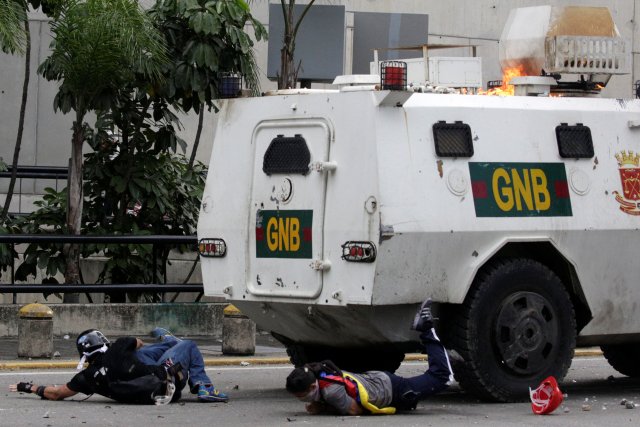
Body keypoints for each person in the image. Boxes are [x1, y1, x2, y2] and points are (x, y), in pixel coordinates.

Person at [286, 299, 453, 415]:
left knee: (442, 377)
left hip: (391, 391)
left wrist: (323, 409)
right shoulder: (319, 373)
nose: (299, 399)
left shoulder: (331, 392)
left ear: (312, 388)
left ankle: (426, 328)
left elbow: (355, 410)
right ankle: (446, 354)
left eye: (300, 396)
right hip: (378, 382)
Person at [9, 328, 228, 404]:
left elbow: (57, 393)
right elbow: (138, 343)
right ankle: (202, 386)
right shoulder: (119, 347)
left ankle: (168, 341)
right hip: (169, 380)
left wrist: (28, 387)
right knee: (188, 346)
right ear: (102, 341)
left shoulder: (88, 376)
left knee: (157, 349)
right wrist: (125, 348)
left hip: (152, 394)